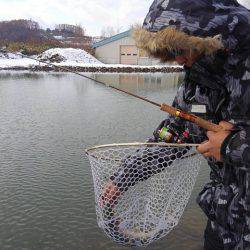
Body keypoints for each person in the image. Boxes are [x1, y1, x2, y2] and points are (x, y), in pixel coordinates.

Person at [133, 0, 250, 249]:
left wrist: (231, 145)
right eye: (171, 50)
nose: (177, 59)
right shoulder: (197, 81)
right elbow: (175, 132)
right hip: (223, 227)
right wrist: (121, 180)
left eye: (182, 48)